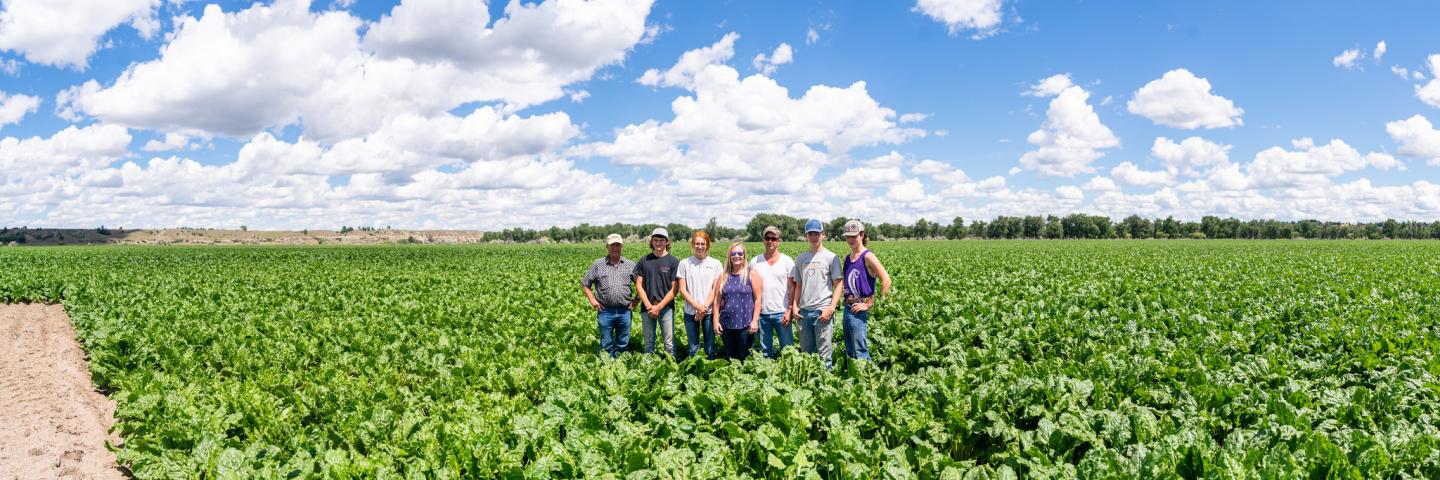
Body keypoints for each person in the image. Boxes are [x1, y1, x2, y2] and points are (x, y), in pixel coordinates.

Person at [789, 219, 844, 368]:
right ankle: (810, 385)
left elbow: (838, 284)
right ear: (806, 236)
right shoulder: (801, 259)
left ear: (823, 235)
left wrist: (831, 308)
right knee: (807, 355)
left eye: (816, 234)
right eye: (810, 234)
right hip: (804, 313)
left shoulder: (831, 257)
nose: (813, 237)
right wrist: (794, 307)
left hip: (822, 312)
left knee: (825, 356)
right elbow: (798, 285)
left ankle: (826, 386)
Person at [840, 219, 893, 363]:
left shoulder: (867, 256)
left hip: (859, 309)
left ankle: (868, 380)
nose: (850, 239)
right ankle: (854, 380)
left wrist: (870, 303)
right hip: (847, 308)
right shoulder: (848, 258)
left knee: (859, 351)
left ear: (862, 235)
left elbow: (886, 280)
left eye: (854, 236)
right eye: (848, 236)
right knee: (850, 350)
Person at [581, 233, 638, 358]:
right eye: (612, 245)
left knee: (623, 343)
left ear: (622, 247)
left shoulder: (630, 265)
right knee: (606, 344)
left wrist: (637, 300)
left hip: (625, 311)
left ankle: (621, 366)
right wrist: (592, 300)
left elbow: (641, 284)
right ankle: (607, 367)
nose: (615, 248)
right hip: (605, 310)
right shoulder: (598, 265)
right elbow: (585, 284)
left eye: (618, 245)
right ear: (607, 246)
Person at [634, 227, 681, 357]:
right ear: (652, 242)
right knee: (648, 343)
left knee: (669, 343)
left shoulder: (673, 262)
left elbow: (674, 289)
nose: (658, 243)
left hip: (666, 308)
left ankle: (671, 369)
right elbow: (639, 285)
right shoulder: (644, 260)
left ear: (667, 242)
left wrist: (659, 307)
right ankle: (649, 371)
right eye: (655, 240)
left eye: (661, 240)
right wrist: (649, 305)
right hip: (647, 308)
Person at [676, 230, 723, 360]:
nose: (700, 247)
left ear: (707, 245)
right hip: (690, 312)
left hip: (709, 313)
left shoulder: (715, 264)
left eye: (703, 244)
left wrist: (704, 309)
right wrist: (697, 306)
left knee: (710, 347)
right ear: (692, 245)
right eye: (697, 244)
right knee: (693, 347)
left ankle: (710, 375)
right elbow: (682, 290)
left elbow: (715, 289)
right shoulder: (684, 263)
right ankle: (693, 374)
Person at [750, 225, 795, 358]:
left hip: (782, 313)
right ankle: (768, 378)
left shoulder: (787, 261)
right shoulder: (755, 262)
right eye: (767, 238)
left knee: (788, 351)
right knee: (765, 353)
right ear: (763, 240)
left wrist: (789, 310)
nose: (770, 241)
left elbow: (792, 288)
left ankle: (788, 377)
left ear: (778, 241)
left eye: (774, 238)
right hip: (762, 314)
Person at [713, 242, 762, 362]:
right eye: (733, 253)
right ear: (729, 256)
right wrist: (715, 321)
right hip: (727, 324)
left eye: (740, 253)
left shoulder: (751, 274)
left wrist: (755, 321)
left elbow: (758, 299)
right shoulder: (723, 276)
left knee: (746, 357)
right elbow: (716, 301)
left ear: (744, 256)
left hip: (746, 324)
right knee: (731, 358)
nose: (737, 256)